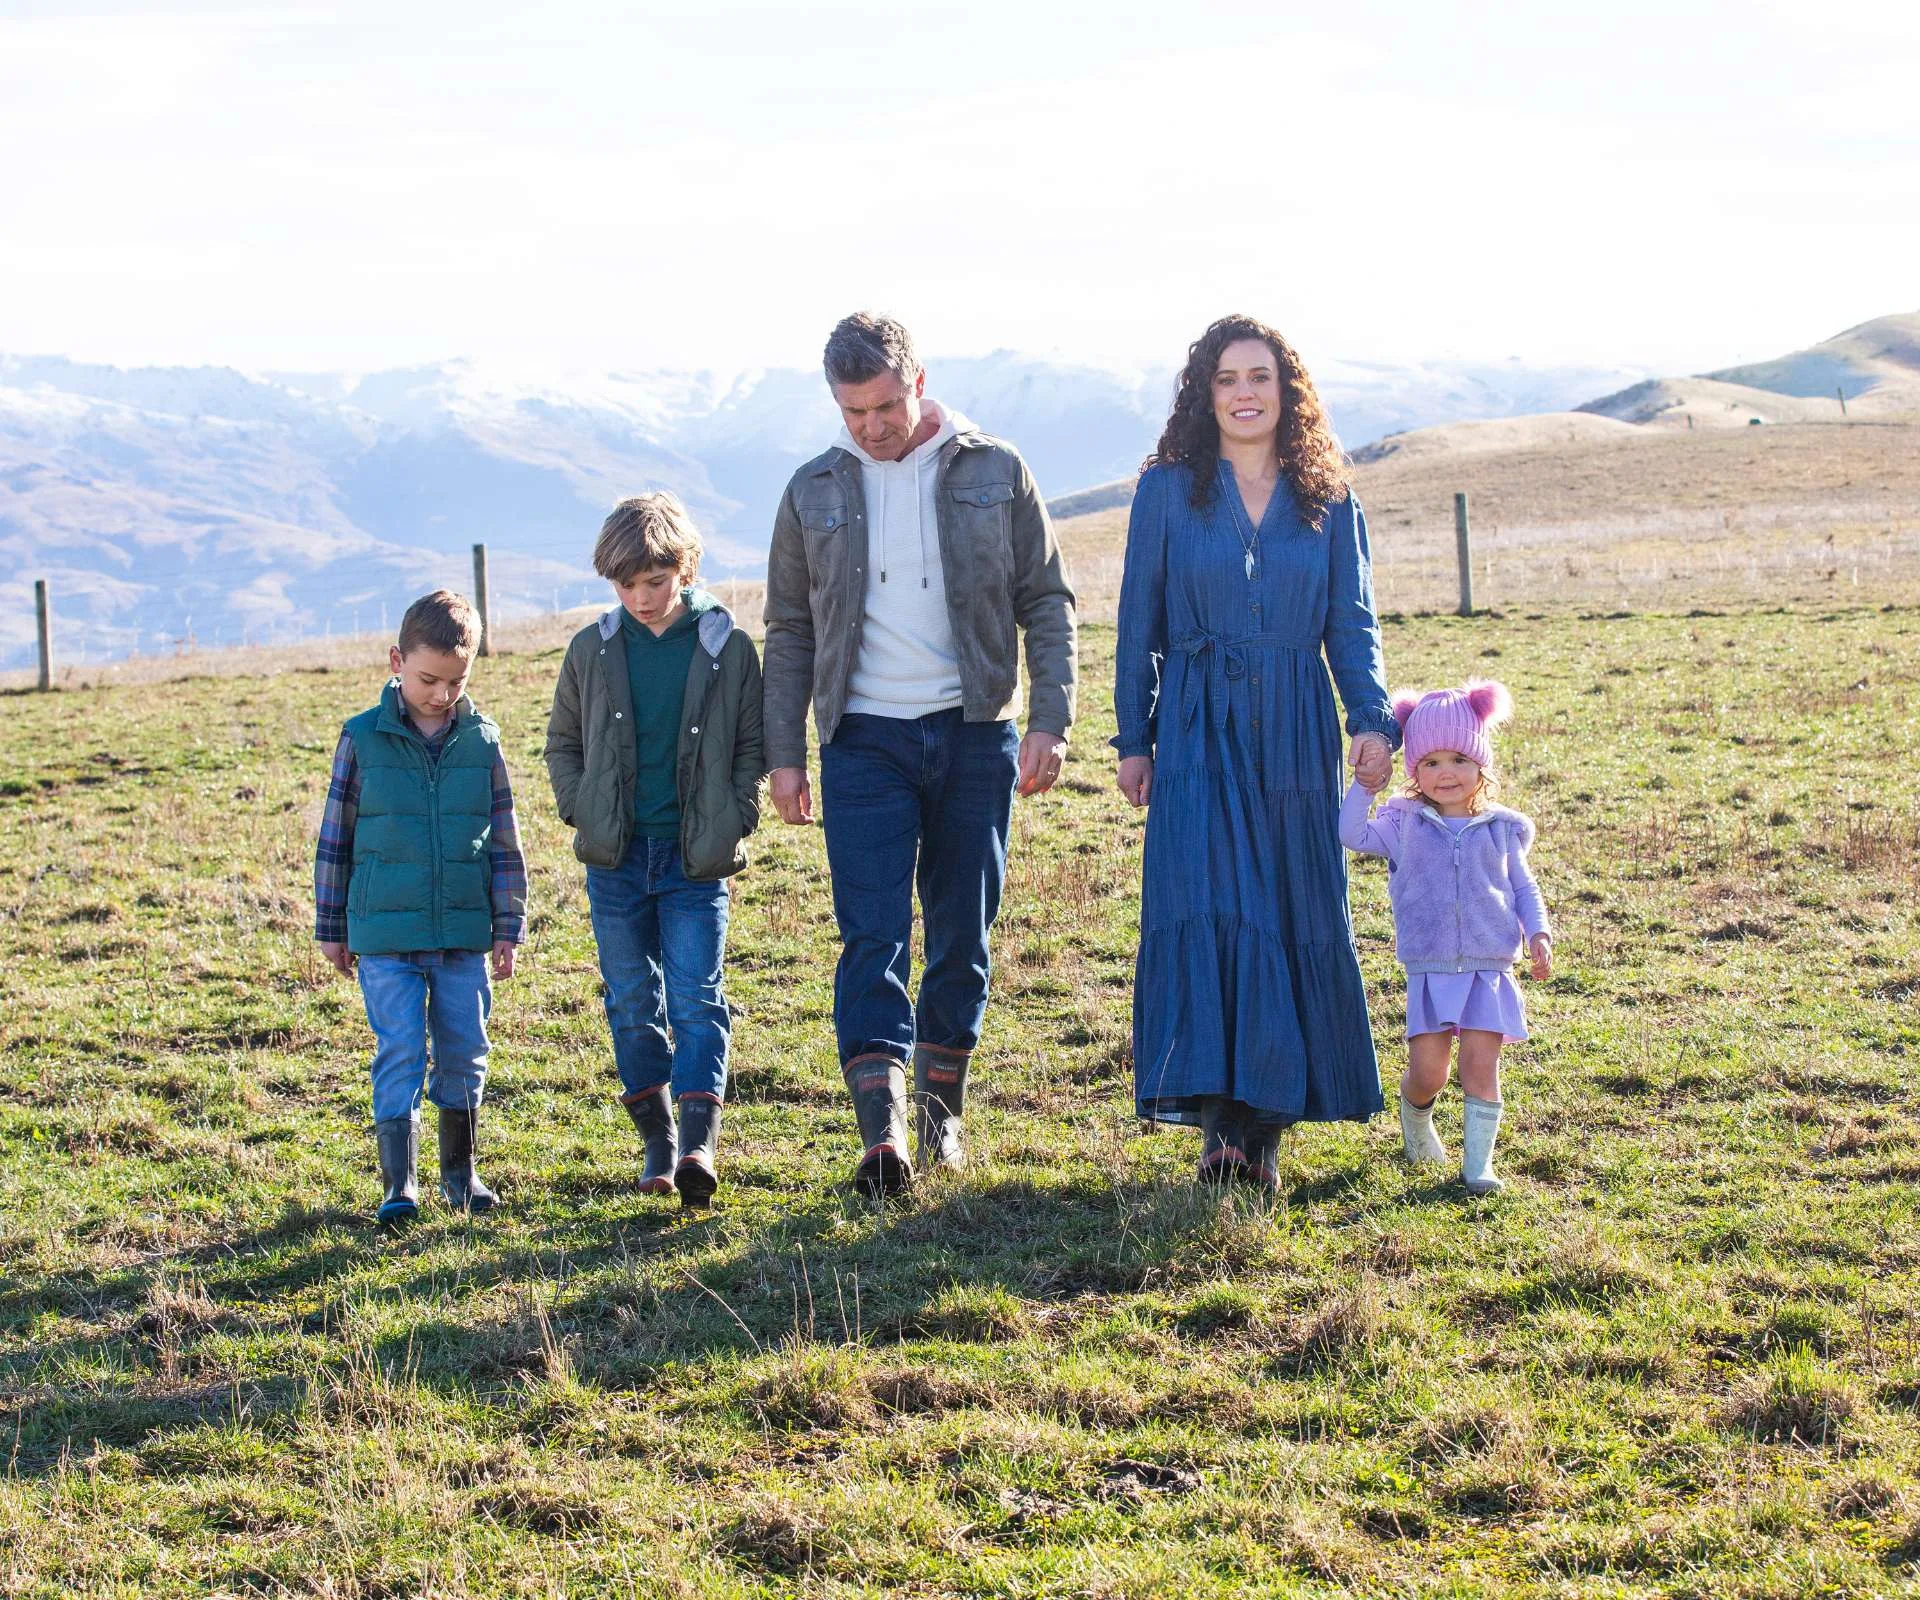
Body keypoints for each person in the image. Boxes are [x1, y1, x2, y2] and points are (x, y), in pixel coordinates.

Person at [762, 312, 1077, 1197]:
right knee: (871, 936)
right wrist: (786, 752)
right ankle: (883, 1131)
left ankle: (943, 1120)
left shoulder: (996, 469)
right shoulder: (810, 490)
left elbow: (1046, 600)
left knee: (961, 937)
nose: (871, 426)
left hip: (976, 733)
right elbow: (787, 628)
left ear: (920, 381)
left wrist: (1050, 719)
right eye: (852, 410)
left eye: (886, 405)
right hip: (861, 740)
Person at [1113, 314, 1399, 1191]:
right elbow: (1138, 622)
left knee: (1282, 903)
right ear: (1206, 392)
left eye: (1261, 378)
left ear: (1288, 393)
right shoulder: (1167, 489)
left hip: (1292, 722)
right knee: (1210, 901)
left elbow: (1352, 622)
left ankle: (1263, 1127)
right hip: (1196, 720)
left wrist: (1371, 717)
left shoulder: (1328, 497)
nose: (1245, 393)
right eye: (1229, 378)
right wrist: (1135, 735)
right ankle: (1221, 1126)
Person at [543, 492, 764, 1208]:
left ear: (686, 567)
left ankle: (700, 1146)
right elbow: (563, 745)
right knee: (633, 1002)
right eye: (625, 584)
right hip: (615, 863)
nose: (641, 598)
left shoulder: (727, 647)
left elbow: (752, 748)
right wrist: (582, 809)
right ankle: (659, 1142)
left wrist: (736, 815)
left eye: (655, 582)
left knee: (698, 999)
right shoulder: (591, 649)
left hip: (695, 862)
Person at [314, 589, 526, 1226]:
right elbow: (336, 838)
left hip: (463, 935)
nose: (440, 694)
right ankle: (399, 1186)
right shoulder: (359, 740)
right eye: (428, 678)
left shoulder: (482, 742)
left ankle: (461, 1177)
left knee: (465, 1049)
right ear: (396, 662)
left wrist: (507, 922)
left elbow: (504, 839)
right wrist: (332, 927)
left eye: (456, 681)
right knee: (400, 1050)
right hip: (385, 939)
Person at [1339, 681, 1552, 1195]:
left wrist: (1538, 932)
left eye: (1458, 758)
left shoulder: (1502, 829)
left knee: (1482, 1067)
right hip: (1432, 969)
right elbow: (1351, 835)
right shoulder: (1402, 824)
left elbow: (1524, 887)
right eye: (1431, 762)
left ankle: (1478, 1166)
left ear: (1481, 763)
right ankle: (1415, 1119)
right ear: (1414, 770)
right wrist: (1365, 787)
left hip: (1488, 967)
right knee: (1429, 1073)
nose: (1446, 773)